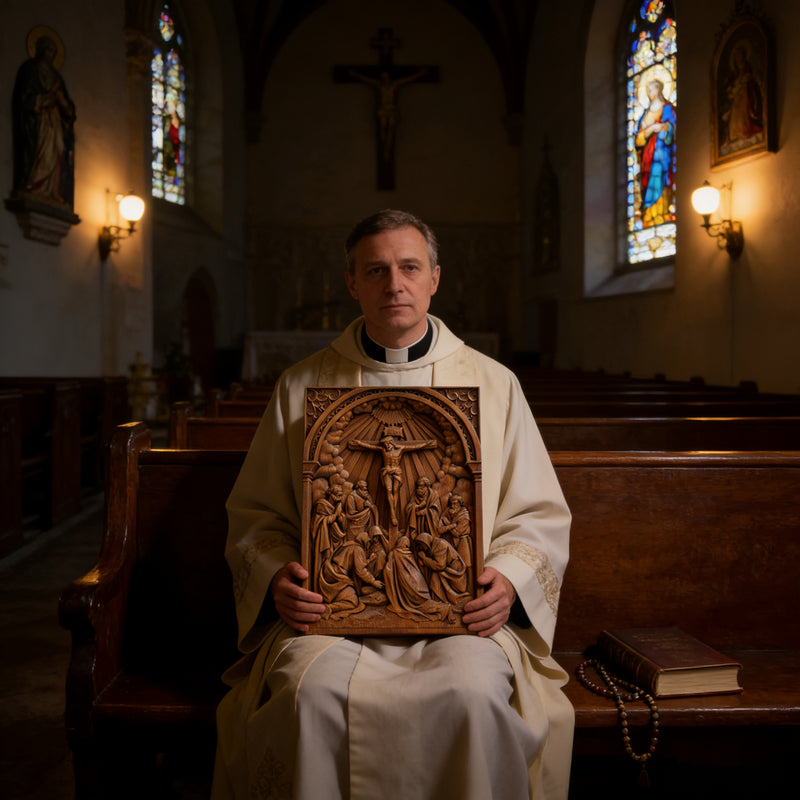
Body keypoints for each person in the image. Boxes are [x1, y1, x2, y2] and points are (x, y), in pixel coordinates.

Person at [213, 209, 573, 799]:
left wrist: (509, 581)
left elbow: (537, 513)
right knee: (309, 693)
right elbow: (258, 514)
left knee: (473, 694)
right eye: (375, 270)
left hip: (459, 616)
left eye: (409, 267)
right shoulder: (300, 385)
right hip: (334, 617)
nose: (394, 284)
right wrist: (277, 575)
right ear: (351, 283)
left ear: (435, 278)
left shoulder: (495, 384)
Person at [11, 33, 76, 209]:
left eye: (53, 51)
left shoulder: (57, 77)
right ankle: (33, 186)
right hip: (39, 121)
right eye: (48, 50)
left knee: (58, 149)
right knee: (40, 152)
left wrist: (63, 104)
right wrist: (44, 100)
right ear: (40, 50)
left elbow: (68, 108)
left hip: (55, 121)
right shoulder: (30, 69)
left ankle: (52, 191)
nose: (50, 54)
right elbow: (24, 98)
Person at [635, 78, 676, 228]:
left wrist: (665, 129)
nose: (649, 93)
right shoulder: (645, 114)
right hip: (647, 156)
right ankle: (649, 215)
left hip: (662, 153)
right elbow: (639, 139)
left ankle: (663, 214)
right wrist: (651, 129)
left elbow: (672, 128)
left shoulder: (667, 108)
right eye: (647, 91)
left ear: (658, 89)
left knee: (661, 180)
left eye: (651, 89)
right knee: (647, 184)